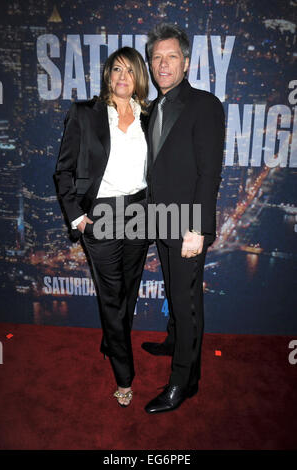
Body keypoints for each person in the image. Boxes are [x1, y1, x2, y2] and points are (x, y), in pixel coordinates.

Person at [54, 47, 150, 407]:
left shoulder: (150, 115)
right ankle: (124, 377)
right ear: (108, 76)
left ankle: (112, 339)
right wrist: (78, 217)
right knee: (111, 296)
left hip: (141, 211)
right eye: (116, 70)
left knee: (129, 292)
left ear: (139, 77)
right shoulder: (85, 114)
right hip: (103, 214)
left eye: (130, 71)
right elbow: (63, 170)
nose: (123, 77)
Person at [142, 23, 225, 414]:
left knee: (187, 300)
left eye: (171, 56)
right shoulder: (155, 107)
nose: (163, 63)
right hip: (161, 219)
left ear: (186, 62)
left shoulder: (204, 105)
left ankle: (184, 382)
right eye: (157, 57)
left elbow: (210, 173)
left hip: (187, 224)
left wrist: (199, 228)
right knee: (175, 289)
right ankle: (175, 341)